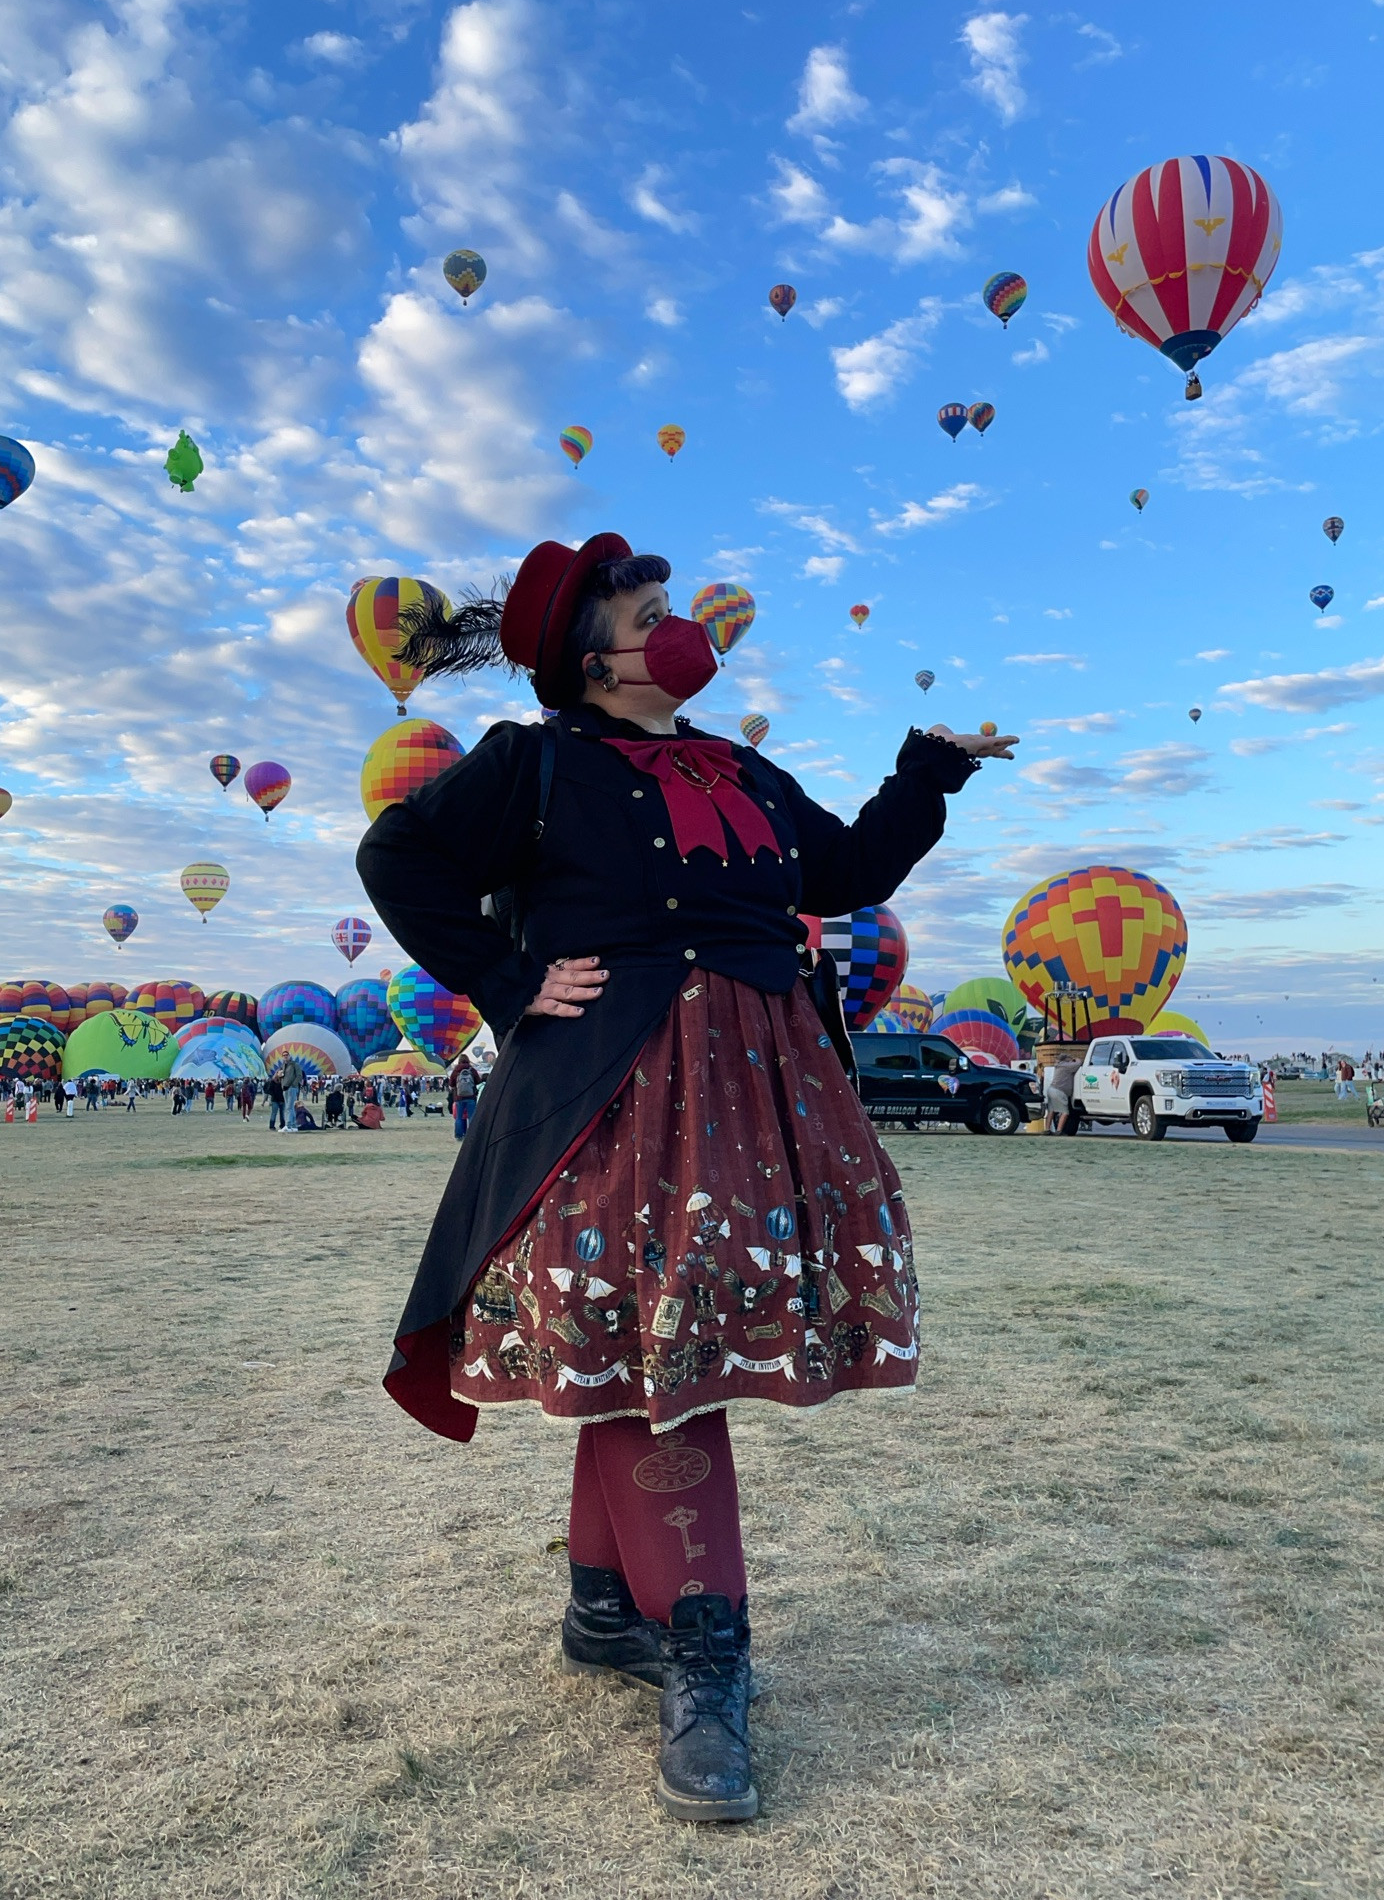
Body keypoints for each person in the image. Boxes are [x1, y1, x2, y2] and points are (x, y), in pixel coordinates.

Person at [357, 530, 1016, 1824]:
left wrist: (922, 777)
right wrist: (505, 980)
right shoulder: (532, 763)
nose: (680, 631)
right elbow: (400, 860)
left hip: (762, 1074)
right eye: (652, 614)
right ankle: (709, 1651)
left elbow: (841, 878)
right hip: (618, 1090)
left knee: (642, 1350)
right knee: (674, 1358)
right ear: (593, 661)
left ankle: (607, 1607)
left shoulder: (740, 766)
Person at [449, 1053, 481, 1139]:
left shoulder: (456, 1070)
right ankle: (471, 1135)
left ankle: (459, 1135)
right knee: (471, 1117)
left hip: (459, 1097)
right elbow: (478, 1081)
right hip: (471, 1096)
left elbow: (451, 1083)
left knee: (459, 1117)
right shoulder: (472, 1070)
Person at [1045, 1053, 1078, 1135]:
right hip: (1059, 1091)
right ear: (1066, 1060)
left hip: (1051, 1089)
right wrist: (1075, 1059)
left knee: (1051, 1111)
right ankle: (1059, 1131)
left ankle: (1047, 1129)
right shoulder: (1066, 1066)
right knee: (1065, 1112)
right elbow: (1079, 1063)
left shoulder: (1058, 1065)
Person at [278, 1053, 304, 1131]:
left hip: (291, 1088)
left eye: (287, 1055)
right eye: (284, 1055)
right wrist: (280, 1078)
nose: (285, 1056)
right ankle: (293, 1125)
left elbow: (299, 1075)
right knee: (289, 1107)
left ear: (289, 1056)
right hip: (285, 1088)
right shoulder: (283, 1066)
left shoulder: (294, 1064)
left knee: (289, 1107)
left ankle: (288, 1125)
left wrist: (293, 1085)